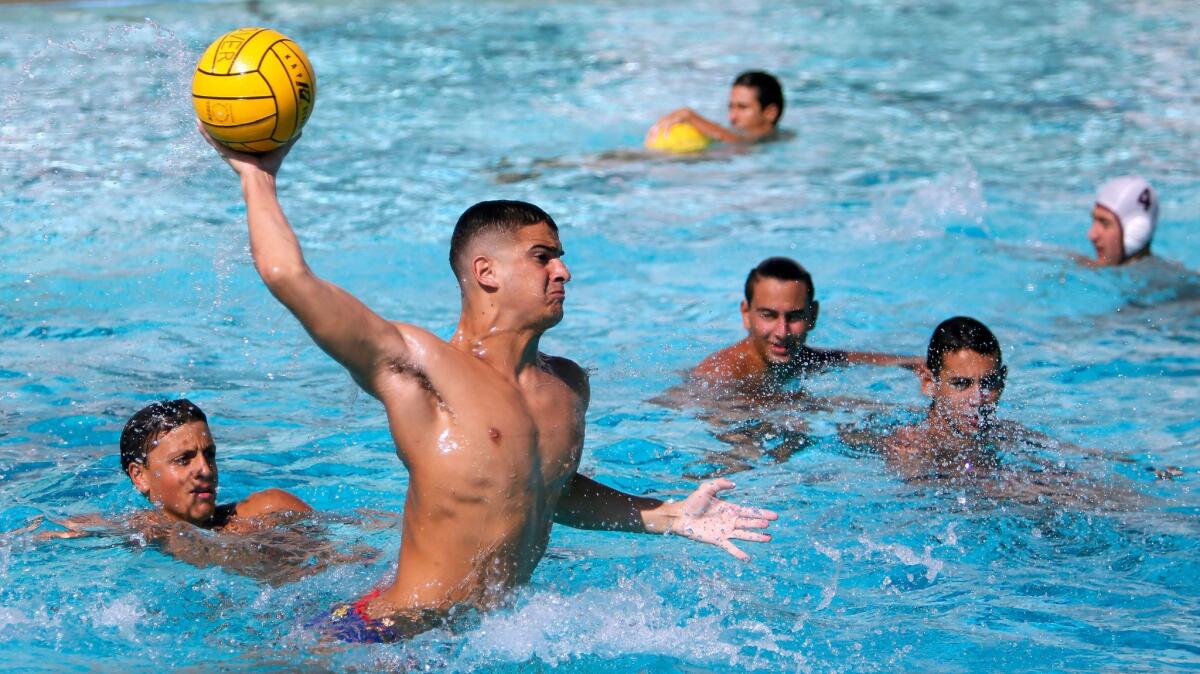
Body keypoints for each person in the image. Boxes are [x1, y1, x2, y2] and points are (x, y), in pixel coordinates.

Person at [202, 130, 777, 643]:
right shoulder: (418, 367)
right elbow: (289, 277)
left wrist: (671, 515)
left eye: (560, 257)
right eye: (542, 256)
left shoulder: (566, 386)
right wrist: (258, 176)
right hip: (389, 637)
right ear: (486, 272)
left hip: (484, 641)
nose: (564, 271)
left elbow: (547, 488)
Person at [34, 399, 354, 585]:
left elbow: (350, 555)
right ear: (139, 476)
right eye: (183, 459)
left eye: (209, 454)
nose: (205, 470)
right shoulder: (145, 529)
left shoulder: (269, 507)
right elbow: (45, 535)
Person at [691, 257, 920, 397]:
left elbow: (842, 358)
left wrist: (917, 364)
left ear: (813, 316)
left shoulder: (799, 357)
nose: (782, 332)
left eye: (794, 317)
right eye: (768, 316)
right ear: (746, 314)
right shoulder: (719, 377)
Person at [882, 317, 1006, 479]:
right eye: (961, 383)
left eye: (988, 383)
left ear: (1002, 381)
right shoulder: (910, 447)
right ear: (929, 383)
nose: (977, 399)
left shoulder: (1007, 435)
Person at [645, 70, 784, 145]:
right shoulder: (736, 132)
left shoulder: (771, 139)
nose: (732, 117)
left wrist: (689, 115)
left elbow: (739, 143)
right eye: (731, 107)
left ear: (770, 113)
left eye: (742, 107)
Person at [1081, 176, 1159, 267]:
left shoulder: (1161, 280)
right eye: (1094, 220)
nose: (1091, 235)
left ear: (1137, 231)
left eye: (1104, 223)